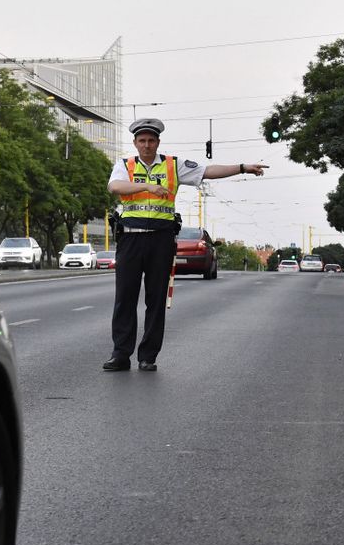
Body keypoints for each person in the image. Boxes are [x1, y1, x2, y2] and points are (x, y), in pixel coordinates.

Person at [103, 118, 267, 371]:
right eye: (142, 140)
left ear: (158, 142)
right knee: (125, 298)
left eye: (151, 140)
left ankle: (148, 356)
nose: (146, 145)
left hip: (161, 239)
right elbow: (115, 186)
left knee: (156, 300)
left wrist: (243, 167)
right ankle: (120, 354)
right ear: (135, 143)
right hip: (131, 238)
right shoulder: (125, 165)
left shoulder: (173, 165)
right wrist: (147, 185)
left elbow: (208, 171)